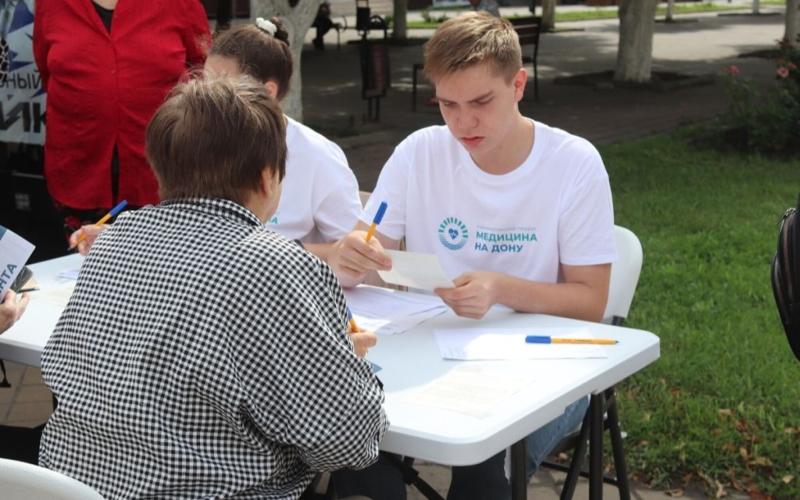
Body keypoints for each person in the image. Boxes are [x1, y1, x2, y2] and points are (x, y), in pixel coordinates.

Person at [39, 76, 387, 499]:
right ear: (267, 178)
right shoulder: (275, 263)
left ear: (160, 171)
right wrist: (340, 361)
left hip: (67, 490)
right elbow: (349, 441)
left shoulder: (112, 240)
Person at [328, 12, 616, 499]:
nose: (463, 123)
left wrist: (499, 288)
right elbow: (364, 247)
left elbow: (592, 302)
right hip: (427, 352)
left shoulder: (574, 164)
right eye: (448, 104)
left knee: (483, 470)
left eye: (481, 102)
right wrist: (349, 258)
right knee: (353, 444)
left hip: (542, 365)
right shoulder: (419, 152)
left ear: (518, 85)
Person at [70, 18, 362, 268]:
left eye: (222, 84)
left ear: (267, 92)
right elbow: (183, 229)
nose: (205, 93)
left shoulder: (317, 155)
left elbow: (354, 255)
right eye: (204, 80)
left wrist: (300, 254)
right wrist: (120, 239)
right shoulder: (195, 142)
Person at [33, 0, 211, 239]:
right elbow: (47, 71)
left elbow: (203, 73)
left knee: (161, 259)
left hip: (164, 173)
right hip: (78, 171)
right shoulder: (50, 4)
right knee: (85, 258)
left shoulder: (180, 4)